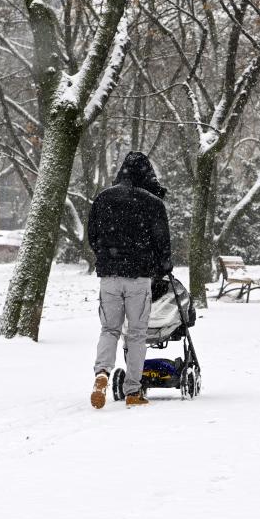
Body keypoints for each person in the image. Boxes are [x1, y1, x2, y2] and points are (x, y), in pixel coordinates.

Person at [88, 151, 173, 408]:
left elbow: (92, 236)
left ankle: (102, 374)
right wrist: (162, 267)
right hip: (139, 278)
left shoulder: (103, 198)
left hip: (109, 277)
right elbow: (162, 244)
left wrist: (107, 256)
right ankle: (133, 391)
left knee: (109, 329)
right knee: (136, 334)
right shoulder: (152, 203)